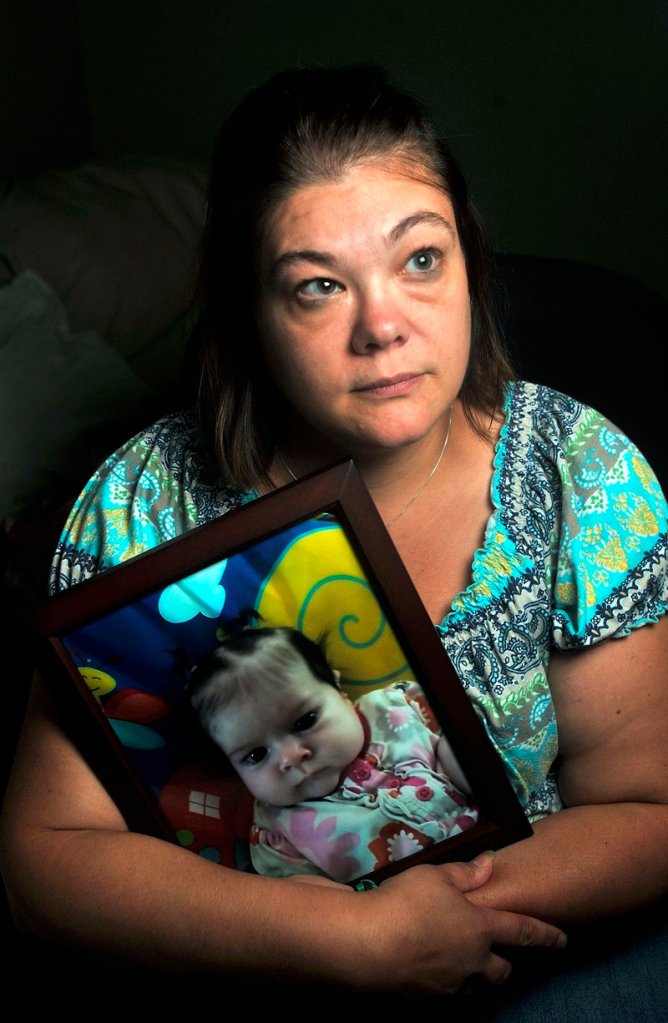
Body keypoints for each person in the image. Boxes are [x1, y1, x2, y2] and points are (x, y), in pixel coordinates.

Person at [1, 63, 667, 1018]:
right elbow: (45, 862)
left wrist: (431, 923)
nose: (384, 327)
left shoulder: (581, 474)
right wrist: (344, 939)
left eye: (421, 259)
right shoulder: (140, 501)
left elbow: (647, 809)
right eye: (317, 286)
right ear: (248, 311)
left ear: (470, 259)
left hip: (528, 955)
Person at [187, 625, 478, 883]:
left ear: (339, 690)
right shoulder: (280, 836)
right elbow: (317, 913)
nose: (291, 757)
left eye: (305, 721)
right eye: (255, 755)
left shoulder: (398, 706)